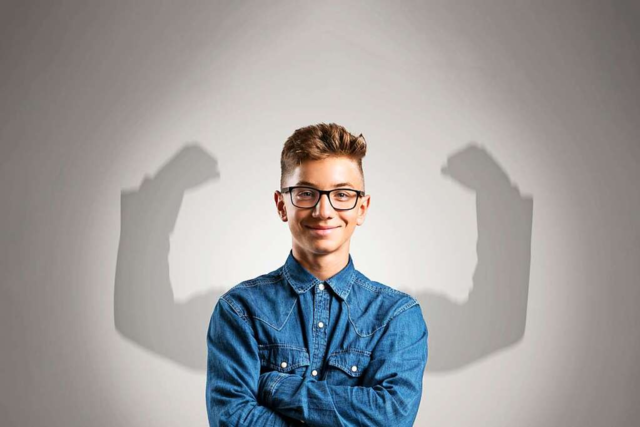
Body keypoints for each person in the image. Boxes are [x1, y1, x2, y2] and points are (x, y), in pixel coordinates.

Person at [206, 123, 428, 426]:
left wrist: (274, 385)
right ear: (281, 205)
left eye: (342, 194)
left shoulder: (396, 316)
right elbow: (232, 419)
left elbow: (391, 417)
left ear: (362, 208)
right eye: (306, 193)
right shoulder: (240, 310)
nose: (323, 211)